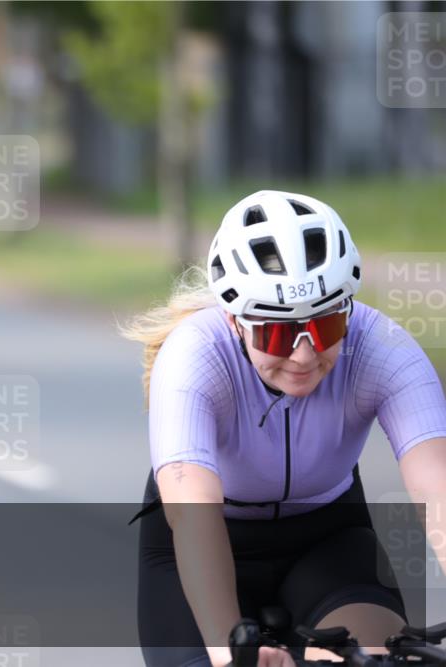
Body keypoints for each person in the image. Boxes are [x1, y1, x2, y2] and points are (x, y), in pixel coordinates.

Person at [123, 191, 446, 667]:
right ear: (235, 320)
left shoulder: (385, 350)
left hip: (326, 539)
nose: (304, 355)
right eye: (276, 332)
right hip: (207, 539)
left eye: (327, 326)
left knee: (372, 658)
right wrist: (228, 649)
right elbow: (192, 514)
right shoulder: (193, 356)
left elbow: (437, 486)